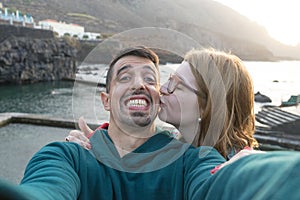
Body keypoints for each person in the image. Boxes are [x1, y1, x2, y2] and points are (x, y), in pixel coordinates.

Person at [0, 46, 225, 200]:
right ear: (106, 101)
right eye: (125, 77)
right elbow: (44, 189)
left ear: (158, 99)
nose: (139, 85)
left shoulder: (192, 161)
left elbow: (224, 185)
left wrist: (256, 168)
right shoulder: (68, 156)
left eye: (149, 79)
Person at [68, 48, 259, 159]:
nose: (163, 89)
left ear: (207, 107)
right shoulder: (174, 143)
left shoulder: (238, 165)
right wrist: (95, 141)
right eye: (169, 79)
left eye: (179, 86)